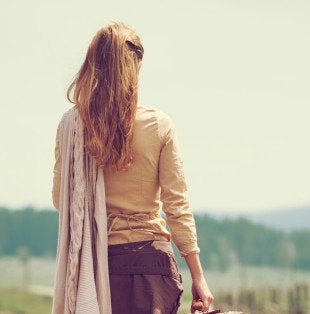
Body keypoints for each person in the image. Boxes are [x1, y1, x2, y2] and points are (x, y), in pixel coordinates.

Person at [52, 23, 213, 314]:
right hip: (151, 267)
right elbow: (177, 206)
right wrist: (198, 276)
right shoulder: (159, 125)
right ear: (136, 65)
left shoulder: (72, 126)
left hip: (99, 265)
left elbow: (60, 200)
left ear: (93, 64)